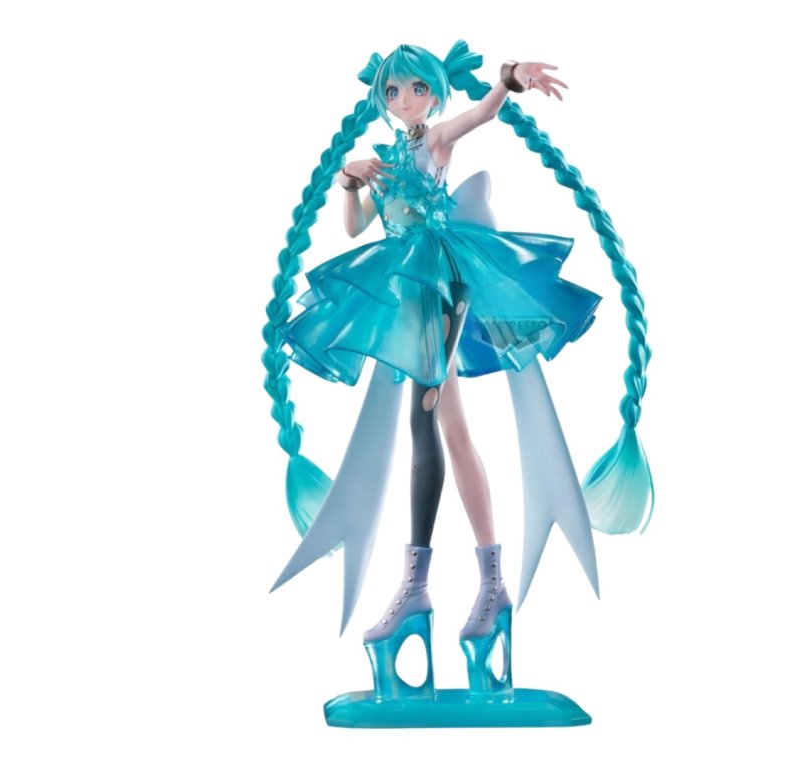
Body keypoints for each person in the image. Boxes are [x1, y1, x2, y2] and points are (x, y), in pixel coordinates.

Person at [263, 42, 653, 701]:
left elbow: (481, 115)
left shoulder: (436, 140)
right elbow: (357, 229)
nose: (405, 101)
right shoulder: (386, 158)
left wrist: (508, 79)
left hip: (443, 284)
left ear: (433, 93)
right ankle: (478, 586)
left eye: (416, 89)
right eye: (394, 92)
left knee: (427, 422)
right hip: (405, 294)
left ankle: (428, 586)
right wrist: (351, 183)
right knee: (447, 432)